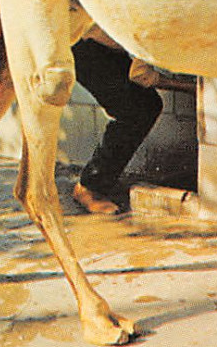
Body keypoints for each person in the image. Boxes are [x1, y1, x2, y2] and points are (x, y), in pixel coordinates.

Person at [69, 28, 167, 215]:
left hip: (105, 44)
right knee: (138, 110)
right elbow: (141, 75)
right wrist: (192, 87)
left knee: (146, 105)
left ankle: (98, 179)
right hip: (84, 45)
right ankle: (89, 188)